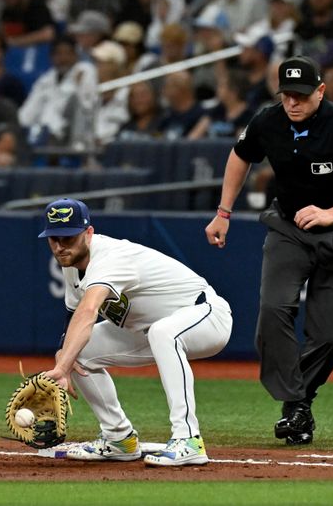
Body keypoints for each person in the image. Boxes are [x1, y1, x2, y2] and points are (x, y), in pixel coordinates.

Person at [205, 56, 333, 445]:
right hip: (289, 228)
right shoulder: (268, 120)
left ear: (321, 92)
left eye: (303, 95)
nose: (294, 102)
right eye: (287, 94)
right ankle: (297, 404)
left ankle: (297, 404)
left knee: (329, 336)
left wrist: (332, 213)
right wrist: (224, 211)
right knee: (273, 310)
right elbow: (240, 155)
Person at [41, 198, 232, 466]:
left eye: (68, 238)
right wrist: (64, 361)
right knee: (76, 351)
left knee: (163, 332)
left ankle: (188, 439)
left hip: (206, 315)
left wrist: (62, 368)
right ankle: (118, 438)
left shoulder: (110, 257)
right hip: (149, 329)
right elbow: (72, 317)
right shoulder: (71, 264)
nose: (60, 247)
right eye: (54, 239)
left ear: (88, 233)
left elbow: (89, 310)